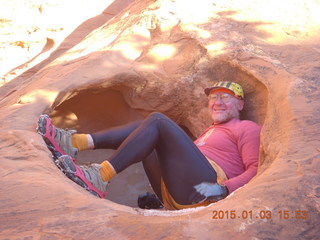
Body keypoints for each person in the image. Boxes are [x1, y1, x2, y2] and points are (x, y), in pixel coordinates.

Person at [37, 81, 261, 210]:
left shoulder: (247, 128)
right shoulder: (209, 131)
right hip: (178, 191)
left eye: (226, 97)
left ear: (240, 104)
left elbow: (255, 169)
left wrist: (224, 189)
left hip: (207, 189)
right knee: (144, 130)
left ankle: (99, 176)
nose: (218, 102)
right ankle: (74, 143)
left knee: (158, 121)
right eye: (214, 97)